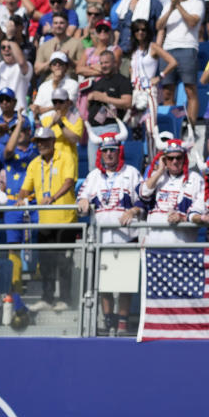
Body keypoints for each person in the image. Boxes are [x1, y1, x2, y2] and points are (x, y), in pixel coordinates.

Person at [77, 124, 144, 335]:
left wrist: (133, 211)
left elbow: (144, 201)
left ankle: (123, 321)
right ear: (100, 153)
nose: (108, 154)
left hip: (126, 236)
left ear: (119, 151)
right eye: (105, 151)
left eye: (112, 150)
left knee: (125, 282)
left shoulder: (132, 173)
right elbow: (81, 199)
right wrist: (84, 202)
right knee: (103, 283)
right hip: (101, 237)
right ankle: (108, 320)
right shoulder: (93, 176)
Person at [16, 127, 77, 311]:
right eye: (38, 141)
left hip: (65, 220)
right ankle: (47, 298)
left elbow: (69, 181)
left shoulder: (66, 157)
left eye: (44, 140)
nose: (41, 144)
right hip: (45, 221)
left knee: (64, 261)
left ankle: (65, 299)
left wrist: (53, 197)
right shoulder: (34, 163)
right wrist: (21, 198)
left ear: (53, 141)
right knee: (46, 261)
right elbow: (25, 188)